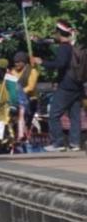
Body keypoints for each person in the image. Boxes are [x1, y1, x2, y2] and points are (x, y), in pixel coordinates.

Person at [33, 20, 82, 151]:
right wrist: (40, 41)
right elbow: (51, 41)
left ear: (59, 33)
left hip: (66, 86)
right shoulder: (72, 46)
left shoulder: (63, 48)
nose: (54, 35)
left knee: (54, 114)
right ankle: (75, 143)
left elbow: (60, 64)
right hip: (77, 85)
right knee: (75, 116)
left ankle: (58, 142)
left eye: (55, 32)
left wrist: (42, 62)